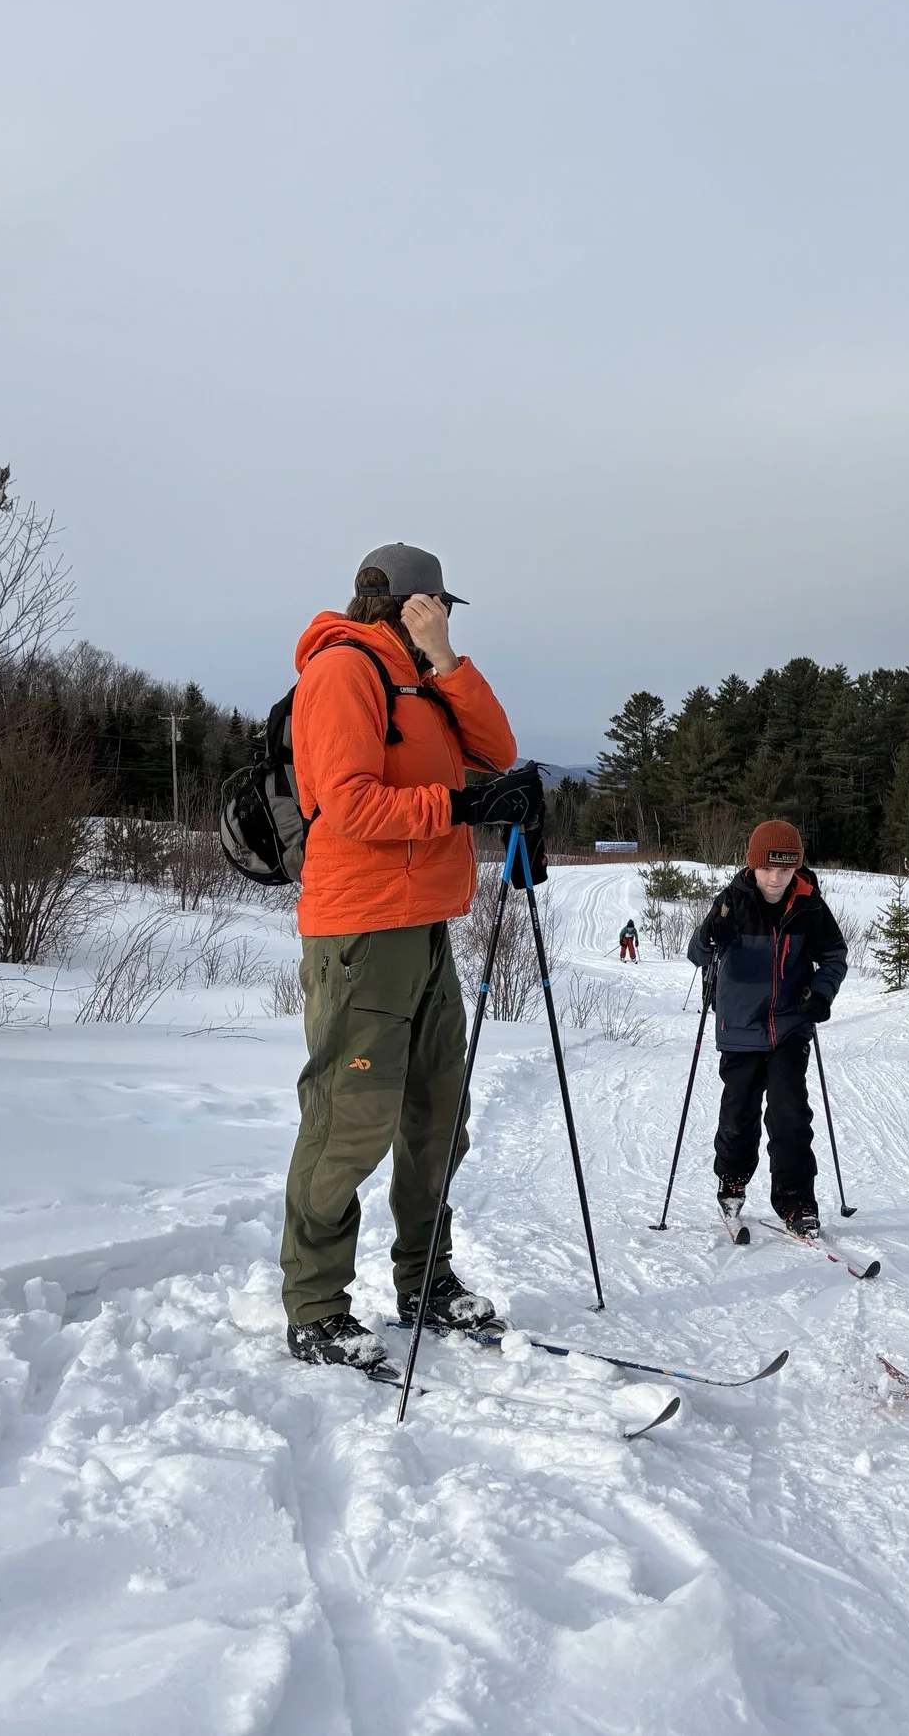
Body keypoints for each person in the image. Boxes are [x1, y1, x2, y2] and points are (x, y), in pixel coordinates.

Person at [280, 543, 539, 1373]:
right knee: (350, 1120)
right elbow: (348, 804)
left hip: (424, 923)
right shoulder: (341, 671)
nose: (448, 618)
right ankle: (317, 1304)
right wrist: (462, 803)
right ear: (410, 602)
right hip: (360, 931)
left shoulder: (420, 678)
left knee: (437, 1117)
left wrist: (448, 661)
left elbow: (495, 747)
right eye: (442, 607)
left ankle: (424, 1279)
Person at [688, 820, 849, 1237]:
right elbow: (697, 952)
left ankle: (796, 1203)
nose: (776, 879)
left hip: (790, 1026)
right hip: (740, 1026)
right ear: (752, 866)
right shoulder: (732, 901)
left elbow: (834, 956)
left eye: (785, 869)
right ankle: (732, 1183)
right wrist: (710, 934)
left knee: (790, 1114)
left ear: (796, 867)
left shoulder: (810, 905)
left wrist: (821, 993)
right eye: (767, 870)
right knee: (739, 1115)